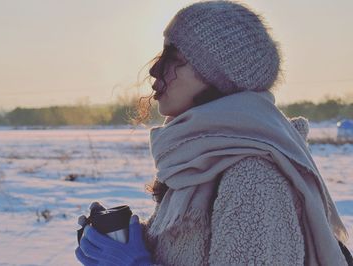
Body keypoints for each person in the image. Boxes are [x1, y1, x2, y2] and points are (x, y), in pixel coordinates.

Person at [76, 1, 351, 265]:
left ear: (218, 76)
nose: (154, 69)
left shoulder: (253, 177)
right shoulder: (201, 160)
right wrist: (122, 242)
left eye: (174, 57)